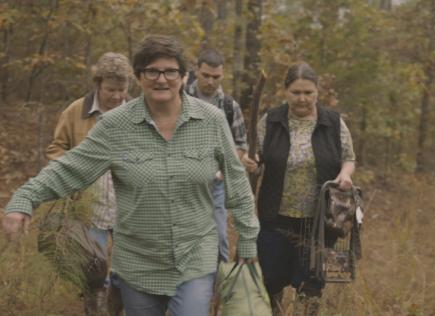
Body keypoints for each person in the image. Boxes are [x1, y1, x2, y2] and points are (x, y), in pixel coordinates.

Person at [2, 34, 259, 316]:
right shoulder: (115, 125)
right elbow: (70, 168)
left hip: (194, 258)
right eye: (152, 71)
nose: (162, 80)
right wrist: (25, 198)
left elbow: (236, 180)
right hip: (138, 264)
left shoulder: (211, 120)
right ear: (139, 76)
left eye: (170, 71)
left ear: (184, 76)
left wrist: (247, 236)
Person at [252, 62, 356, 315]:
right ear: (285, 92)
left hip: (320, 221)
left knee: (312, 281)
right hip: (276, 217)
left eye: (308, 92)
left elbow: (348, 157)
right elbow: (255, 158)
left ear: (317, 91)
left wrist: (345, 174)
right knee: (271, 277)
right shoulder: (272, 120)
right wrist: (250, 162)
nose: (302, 98)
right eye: (296, 92)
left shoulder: (332, 121)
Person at [45, 52, 133, 315]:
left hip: (127, 205)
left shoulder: (137, 113)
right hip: (89, 205)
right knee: (94, 269)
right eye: (110, 90)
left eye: (122, 89)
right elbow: (56, 147)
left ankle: (116, 309)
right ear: (98, 84)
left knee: (124, 270)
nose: (117, 96)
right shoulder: (76, 111)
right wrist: (71, 171)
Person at [185, 48, 250, 263]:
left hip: (216, 184)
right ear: (197, 71)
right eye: (206, 76)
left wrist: (224, 170)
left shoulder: (230, 106)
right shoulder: (179, 97)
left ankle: (220, 288)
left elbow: (240, 145)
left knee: (220, 238)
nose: (211, 82)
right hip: (181, 179)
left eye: (216, 77)